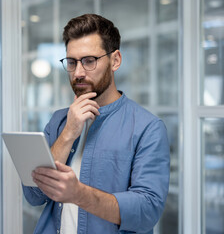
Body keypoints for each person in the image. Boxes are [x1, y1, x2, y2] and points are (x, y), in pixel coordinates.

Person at [22, 14, 170, 234]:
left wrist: (78, 194)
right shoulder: (59, 121)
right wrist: (68, 133)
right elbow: (33, 195)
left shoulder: (148, 128)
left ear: (115, 60)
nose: (79, 73)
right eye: (72, 62)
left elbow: (147, 211)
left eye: (89, 61)